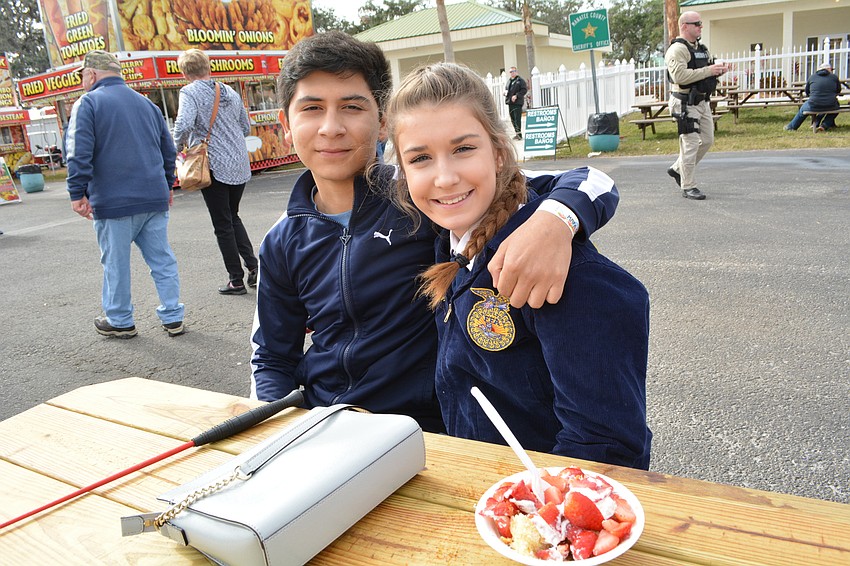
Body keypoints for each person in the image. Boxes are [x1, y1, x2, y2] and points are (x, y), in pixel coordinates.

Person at [249, 32, 619, 433]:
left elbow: (585, 180)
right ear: (286, 123)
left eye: (352, 106)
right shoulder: (283, 240)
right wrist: (277, 434)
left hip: (425, 431)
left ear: (382, 122)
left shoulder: (423, 195)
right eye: (312, 108)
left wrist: (555, 223)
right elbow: (271, 356)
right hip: (325, 427)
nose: (331, 127)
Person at [387, 62, 651, 468]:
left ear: (497, 152)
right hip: (479, 480)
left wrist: (559, 219)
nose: (444, 178)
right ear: (402, 172)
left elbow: (605, 446)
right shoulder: (449, 240)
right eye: (420, 158)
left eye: (463, 149)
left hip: (539, 505)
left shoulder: (553, 262)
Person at [65, 50, 184, 338]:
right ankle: (173, 316)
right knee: (162, 259)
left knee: (116, 263)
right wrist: (167, 185)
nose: (83, 81)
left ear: (91, 74)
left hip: (113, 200)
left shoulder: (88, 103)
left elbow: (78, 152)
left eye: (83, 76)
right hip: (153, 196)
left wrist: (77, 192)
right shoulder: (147, 104)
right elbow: (168, 150)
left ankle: (120, 320)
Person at [173, 49, 258, 295]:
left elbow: (184, 123)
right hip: (239, 162)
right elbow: (245, 125)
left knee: (222, 223)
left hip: (214, 165)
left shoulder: (188, 92)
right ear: (208, 67)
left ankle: (236, 280)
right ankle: (254, 268)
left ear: (184, 72)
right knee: (233, 216)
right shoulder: (229, 90)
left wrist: (177, 147)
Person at [665, 12, 728, 200]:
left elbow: (704, 71)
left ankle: (678, 169)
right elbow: (680, 77)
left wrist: (718, 71)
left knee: (707, 140)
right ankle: (688, 186)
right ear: (684, 26)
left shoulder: (701, 48)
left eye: (701, 24)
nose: (701, 27)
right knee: (690, 144)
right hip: (685, 102)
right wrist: (708, 70)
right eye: (697, 24)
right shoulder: (677, 50)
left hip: (702, 101)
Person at [785, 62, 842, 132]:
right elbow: (838, 90)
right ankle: (825, 125)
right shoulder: (834, 77)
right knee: (836, 108)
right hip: (831, 104)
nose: (832, 71)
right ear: (828, 69)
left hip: (814, 104)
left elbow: (807, 92)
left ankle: (791, 127)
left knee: (802, 110)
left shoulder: (812, 77)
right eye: (831, 69)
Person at [504, 66, 527, 140]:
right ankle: (516, 133)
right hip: (510, 102)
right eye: (510, 72)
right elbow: (507, 89)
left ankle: (519, 134)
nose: (512, 73)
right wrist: (505, 93)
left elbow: (524, 90)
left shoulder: (520, 81)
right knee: (513, 119)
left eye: (513, 71)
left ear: (516, 72)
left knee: (517, 118)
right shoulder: (509, 81)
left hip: (517, 103)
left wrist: (517, 96)